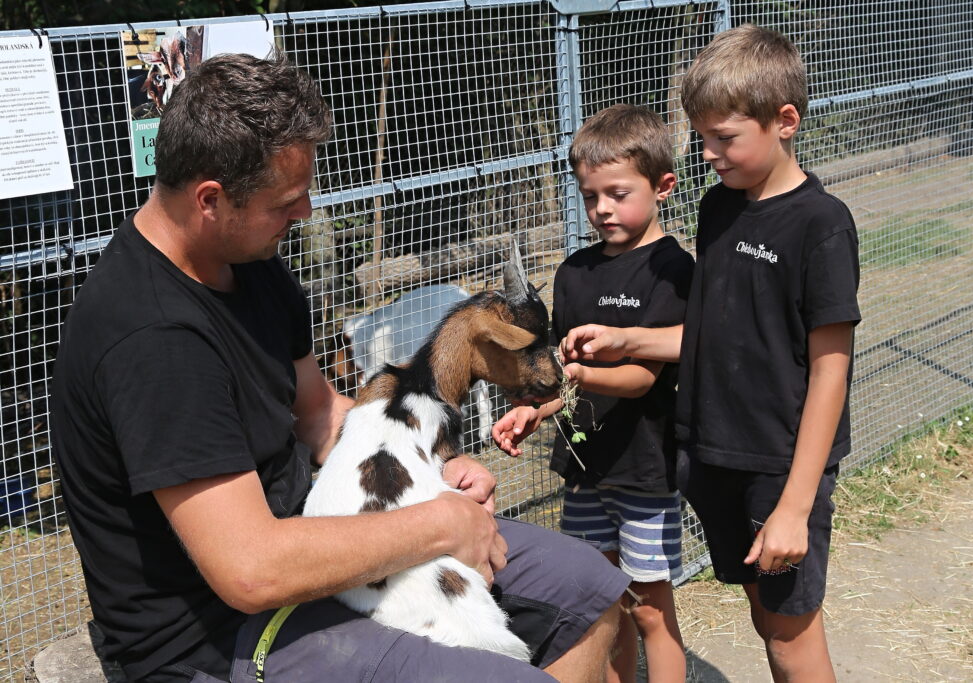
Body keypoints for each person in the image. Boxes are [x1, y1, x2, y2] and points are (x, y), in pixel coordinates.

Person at [49, 53, 630, 683]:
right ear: (210, 199)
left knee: (588, 590)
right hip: (219, 633)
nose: (303, 215)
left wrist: (425, 462)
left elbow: (323, 416)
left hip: (316, 542)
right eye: (286, 202)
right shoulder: (152, 339)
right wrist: (436, 522)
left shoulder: (251, 265)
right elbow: (250, 569)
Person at [559, 25, 861, 683]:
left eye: (723, 138)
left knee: (788, 632)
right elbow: (712, 331)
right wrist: (625, 341)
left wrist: (793, 505)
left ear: (785, 121)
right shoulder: (721, 205)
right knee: (764, 615)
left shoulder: (822, 224)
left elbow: (832, 370)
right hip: (715, 453)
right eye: (702, 137)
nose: (708, 153)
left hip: (778, 464)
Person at [492, 104, 694, 683]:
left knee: (651, 611)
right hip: (585, 470)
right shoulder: (574, 273)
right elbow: (564, 374)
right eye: (589, 196)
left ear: (663, 187)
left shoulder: (671, 270)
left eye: (618, 193)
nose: (602, 208)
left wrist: (574, 376)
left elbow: (640, 379)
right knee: (602, 607)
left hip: (644, 472)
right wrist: (534, 409)